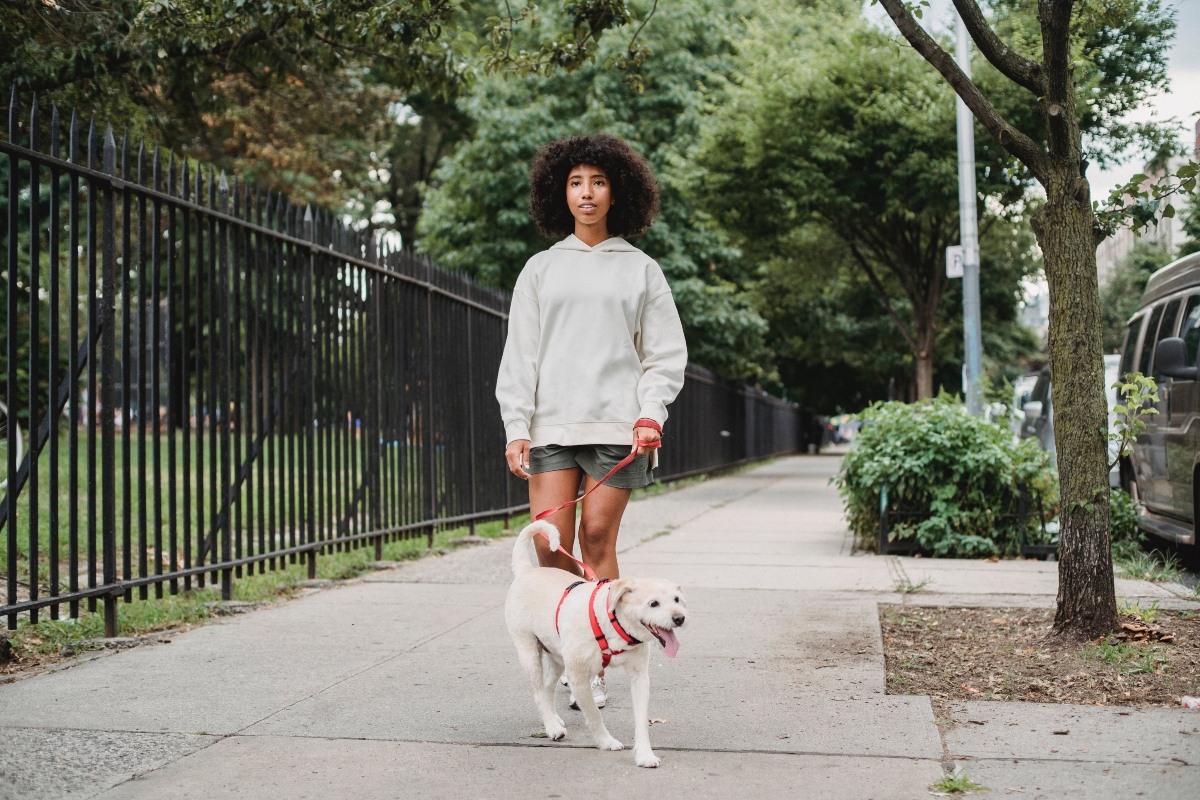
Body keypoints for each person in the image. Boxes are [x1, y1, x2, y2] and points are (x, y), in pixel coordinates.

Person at [496, 134, 688, 707]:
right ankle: (568, 658)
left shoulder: (641, 270)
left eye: (598, 182)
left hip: (617, 430)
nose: (587, 193)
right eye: (576, 182)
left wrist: (651, 413)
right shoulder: (539, 270)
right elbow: (520, 353)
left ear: (616, 192)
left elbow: (664, 353)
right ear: (561, 192)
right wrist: (517, 426)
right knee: (553, 550)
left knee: (597, 539)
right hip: (552, 428)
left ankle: (598, 662)